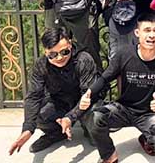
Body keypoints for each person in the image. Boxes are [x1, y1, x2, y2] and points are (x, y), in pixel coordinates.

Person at [82, 11, 155, 163]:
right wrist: (89, 92)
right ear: (137, 33)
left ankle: (146, 138)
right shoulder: (124, 54)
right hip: (123, 109)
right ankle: (109, 155)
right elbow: (105, 77)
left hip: (149, 113)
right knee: (95, 117)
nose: (151, 35)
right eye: (147, 30)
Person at [8, 27, 98, 156]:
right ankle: (56, 133)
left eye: (65, 52)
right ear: (45, 52)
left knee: (96, 126)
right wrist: (28, 129)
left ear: (70, 44)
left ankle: (88, 128)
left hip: (84, 101)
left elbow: (89, 95)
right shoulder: (41, 65)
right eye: (53, 55)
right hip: (60, 102)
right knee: (38, 113)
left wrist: (70, 117)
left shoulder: (83, 59)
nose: (60, 57)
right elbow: (33, 97)